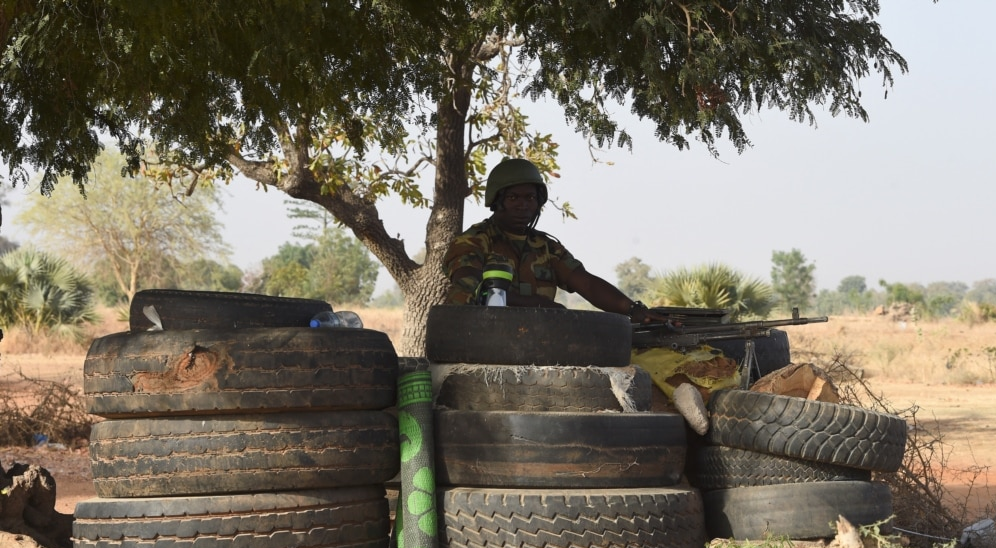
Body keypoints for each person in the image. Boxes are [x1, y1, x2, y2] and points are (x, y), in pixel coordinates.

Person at [442, 157, 665, 324]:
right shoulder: (473, 241)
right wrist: (542, 306)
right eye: (513, 198)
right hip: (479, 338)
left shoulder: (545, 247)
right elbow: (470, 287)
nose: (523, 205)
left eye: (530, 198)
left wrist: (634, 309)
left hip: (534, 341)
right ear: (496, 201)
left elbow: (586, 284)